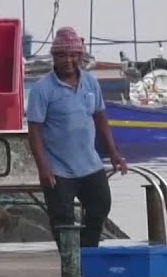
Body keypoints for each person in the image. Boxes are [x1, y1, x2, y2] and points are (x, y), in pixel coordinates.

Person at [26, 26, 128, 248]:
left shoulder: (91, 82)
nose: (69, 60)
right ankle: (70, 265)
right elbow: (34, 131)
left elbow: (101, 118)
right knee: (62, 219)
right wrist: (43, 168)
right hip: (59, 169)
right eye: (63, 55)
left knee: (101, 205)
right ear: (54, 57)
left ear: (80, 56)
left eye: (74, 55)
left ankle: (87, 253)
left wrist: (113, 153)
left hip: (89, 164)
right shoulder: (42, 89)